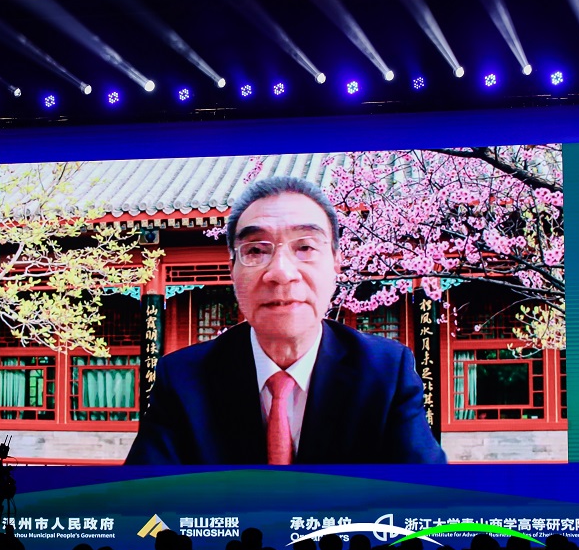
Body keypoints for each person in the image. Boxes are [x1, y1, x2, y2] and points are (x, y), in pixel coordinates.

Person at [125, 176, 446, 464]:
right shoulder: (182, 378)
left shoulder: (386, 372)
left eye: (305, 247)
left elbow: (429, 498)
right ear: (232, 269)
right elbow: (140, 501)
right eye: (255, 251)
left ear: (336, 263)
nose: (281, 272)